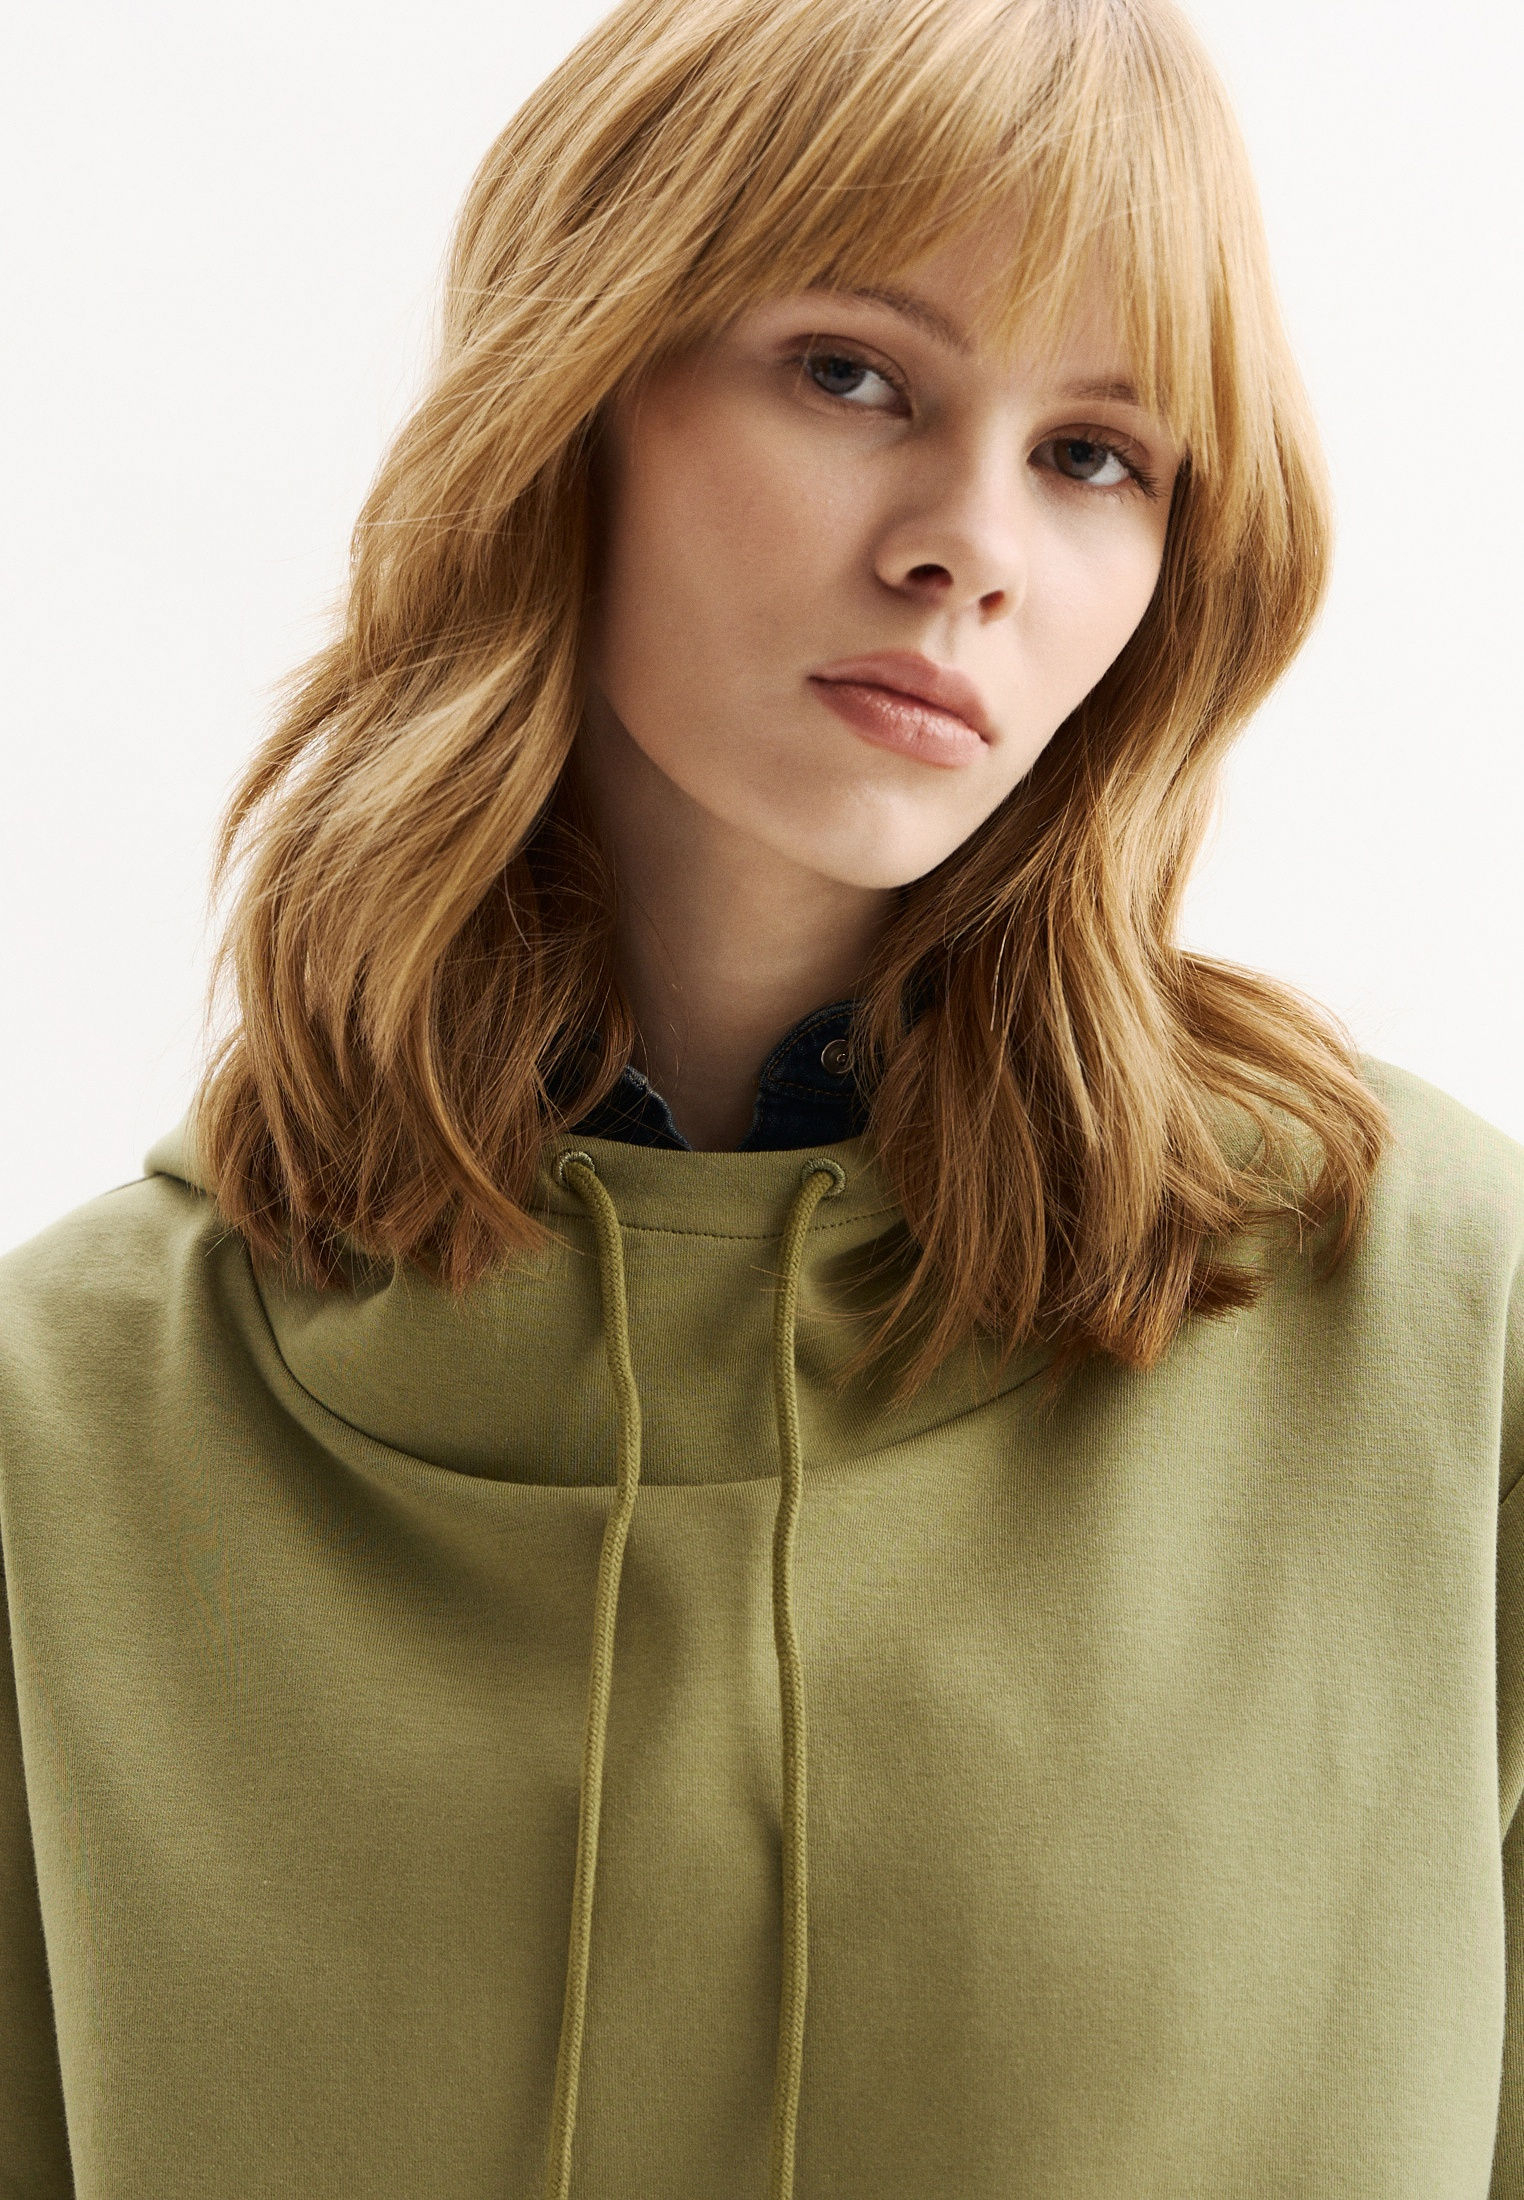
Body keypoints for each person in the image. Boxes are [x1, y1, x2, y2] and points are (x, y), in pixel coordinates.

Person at [2, 0, 1521, 2191]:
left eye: (1098, 455)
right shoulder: (67, 1434)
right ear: (575, 390)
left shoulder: (1438, 1332)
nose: (970, 543)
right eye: (853, 375)